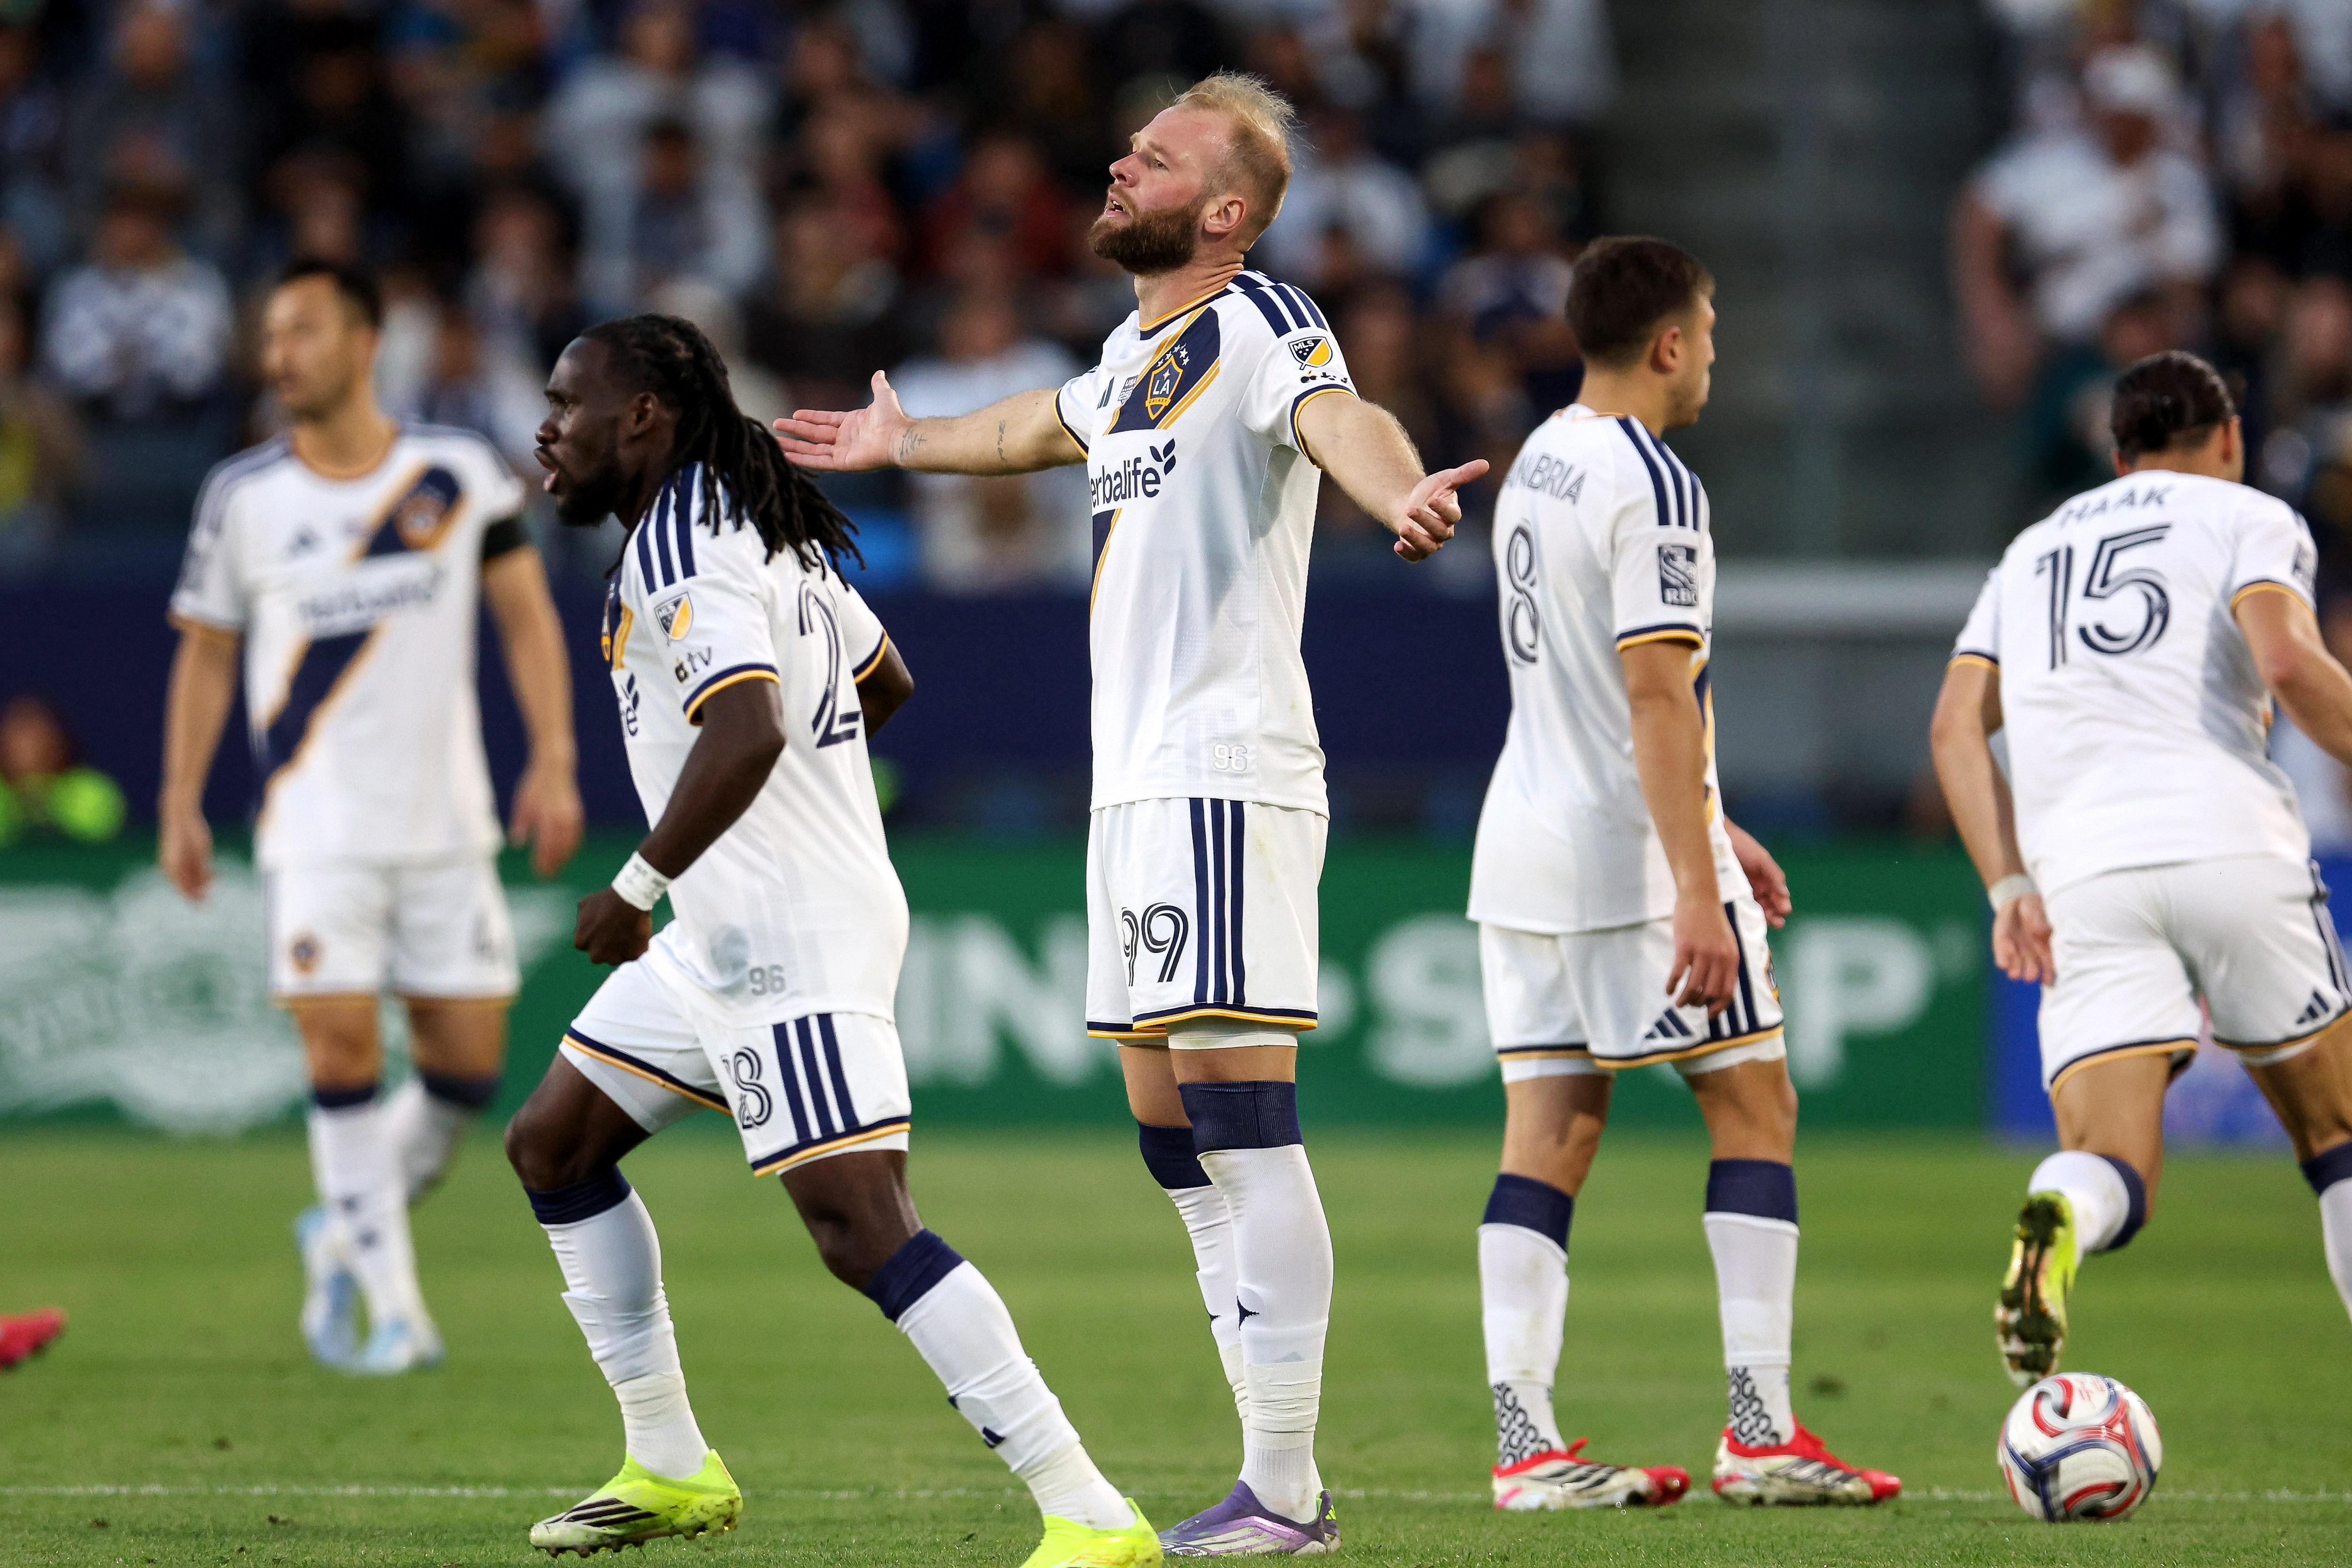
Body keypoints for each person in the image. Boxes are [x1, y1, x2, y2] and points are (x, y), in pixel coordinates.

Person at [778, 70, 1485, 1555]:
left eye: (1153, 158)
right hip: (1140, 784)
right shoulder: (1136, 349)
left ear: (1222, 212)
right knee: (1169, 1134)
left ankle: (1284, 1489)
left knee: (1238, 1120)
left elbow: (1335, 413)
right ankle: (1272, 1476)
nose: (1120, 161)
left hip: (1222, 767)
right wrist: (904, 442)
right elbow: (1049, 421)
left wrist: (1399, 488)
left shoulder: (1259, 320)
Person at [506, 312, 1159, 1567]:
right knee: (555, 1143)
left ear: (640, 416)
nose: (547, 425)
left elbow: (743, 730)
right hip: (726, 929)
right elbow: (883, 679)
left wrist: (638, 883)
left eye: (567, 400)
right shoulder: (745, 518)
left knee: (862, 1225)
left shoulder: (688, 543)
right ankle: (670, 1461)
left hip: (781, 934)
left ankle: (1087, 1508)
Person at [1466, 236, 1901, 1510]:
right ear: (1666, 343)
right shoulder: (1652, 480)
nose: (1713, 353)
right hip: (1621, 860)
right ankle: (1760, 1431)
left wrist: (1719, 826)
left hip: (1522, 839)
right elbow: (1655, 694)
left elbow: (1603, 693)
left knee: (1547, 1129)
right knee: (1752, 1107)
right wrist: (1693, 882)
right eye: (1707, 331)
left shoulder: (1539, 454)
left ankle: (1523, 1445)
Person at [160, 259, 584, 1375]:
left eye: (300, 331)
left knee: (467, 1070)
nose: (276, 356)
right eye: (269, 336)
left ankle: (348, 1221)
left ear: (363, 342)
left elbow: (528, 619)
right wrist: (180, 801)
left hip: (447, 825)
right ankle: (397, 1309)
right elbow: (205, 654)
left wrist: (553, 756)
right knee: (340, 1045)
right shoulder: (245, 498)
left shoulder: (454, 475)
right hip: (315, 831)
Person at [1930, 350, 2352, 1384]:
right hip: (2229, 841)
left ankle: (2060, 1215)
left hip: (2082, 876)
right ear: (2231, 440)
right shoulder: (2248, 515)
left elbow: (1952, 728)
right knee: (2337, 1136)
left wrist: (2008, 885)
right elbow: (2291, 662)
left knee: (2112, 1162)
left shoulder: (2031, 552)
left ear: (2117, 460)